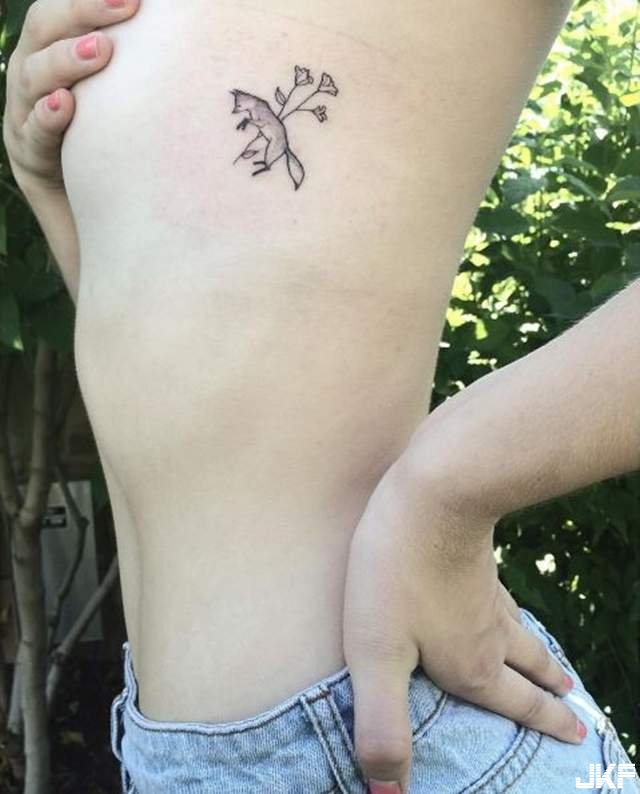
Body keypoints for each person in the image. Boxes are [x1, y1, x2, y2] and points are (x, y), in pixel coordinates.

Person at [3, 1, 639, 791]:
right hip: (176, 750)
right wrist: (53, 184)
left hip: (372, 730)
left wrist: (447, 489)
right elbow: (196, 361)